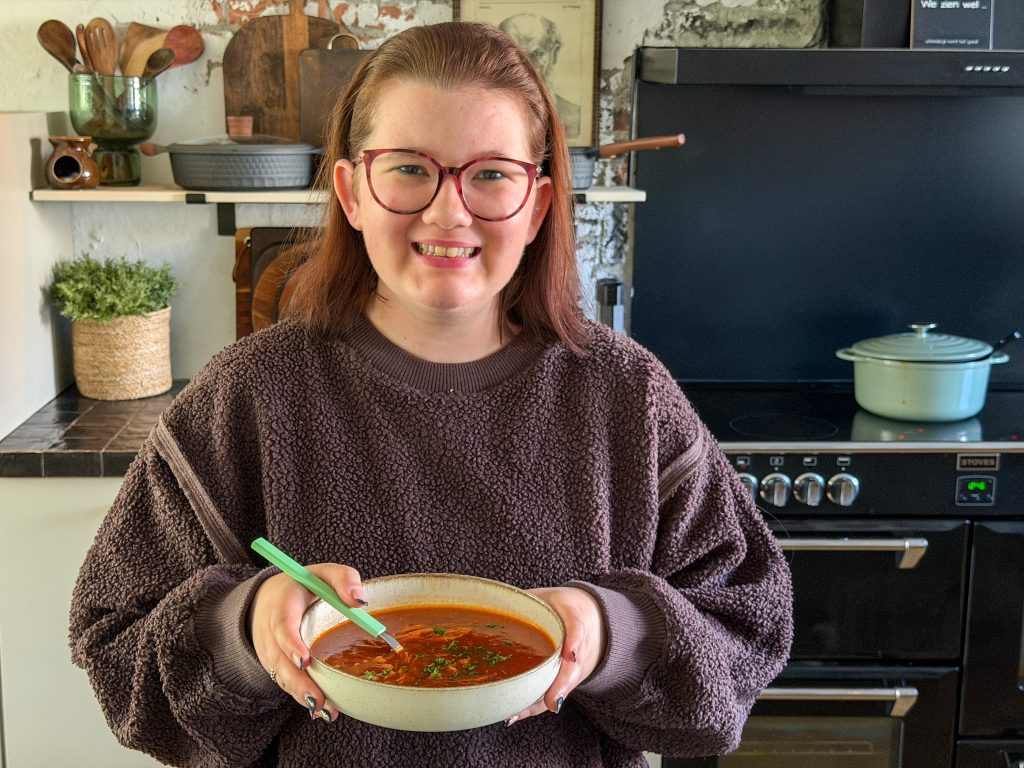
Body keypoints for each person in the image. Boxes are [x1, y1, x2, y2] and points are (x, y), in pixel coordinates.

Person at [69, 20, 792, 768]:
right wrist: (244, 626)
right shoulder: (248, 395)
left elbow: (746, 636)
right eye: (410, 169)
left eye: (490, 175)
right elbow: (112, 643)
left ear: (538, 204)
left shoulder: (626, 397)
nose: (448, 212)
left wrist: (612, 632)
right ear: (351, 190)